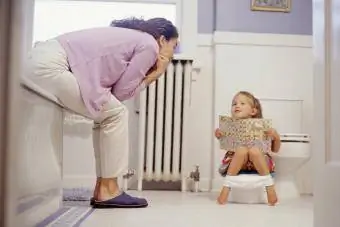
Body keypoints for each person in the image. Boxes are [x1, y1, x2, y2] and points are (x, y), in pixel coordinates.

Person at [26, 17, 179, 208]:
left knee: (107, 114)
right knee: (116, 113)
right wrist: (155, 74)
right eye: (174, 46)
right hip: (51, 65)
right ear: (162, 40)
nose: (173, 54)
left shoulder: (135, 39)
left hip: (40, 60)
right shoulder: (150, 45)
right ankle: (108, 189)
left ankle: (103, 188)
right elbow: (122, 93)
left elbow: (114, 95)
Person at [214, 91, 281, 206]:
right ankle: (226, 187)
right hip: (237, 162)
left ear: (253, 111)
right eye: (234, 104)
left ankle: (269, 187)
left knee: (254, 150)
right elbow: (226, 144)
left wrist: (275, 136)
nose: (237, 106)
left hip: (259, 163)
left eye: (242, 103)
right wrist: (219, 135)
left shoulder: (264, 127)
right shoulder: (229, 126)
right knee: (242, 150)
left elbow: (275, 150)